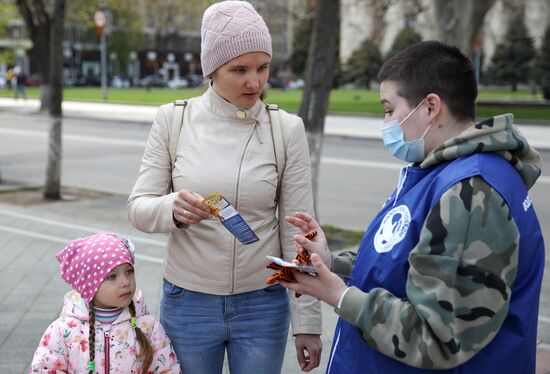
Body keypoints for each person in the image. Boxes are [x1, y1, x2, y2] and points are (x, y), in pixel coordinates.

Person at [280, 40, 545, 373]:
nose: (385, 122)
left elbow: (437, 337)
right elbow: (404, 265)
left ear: (430, 107)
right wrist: (332, 263)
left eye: (390, 109)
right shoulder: (442, 173)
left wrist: (339, 296)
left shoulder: (471, 191)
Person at [127, 1, 322, 373]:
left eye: (263, 67)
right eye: (240, 70)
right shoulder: (174, 120)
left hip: (263, 302)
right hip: (188, 302)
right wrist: (172, 209)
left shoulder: (286, 130)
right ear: (211, 69)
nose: (256, 82)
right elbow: (138, 207)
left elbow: (300, 232)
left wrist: (307, 323)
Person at [29, 232, 181, 373]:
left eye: (129, 271)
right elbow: (45, 369)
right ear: (89, 286)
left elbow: (166, 368)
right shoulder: (63, 330)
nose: (125, 282)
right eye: (112, 276)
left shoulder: (148, 326)